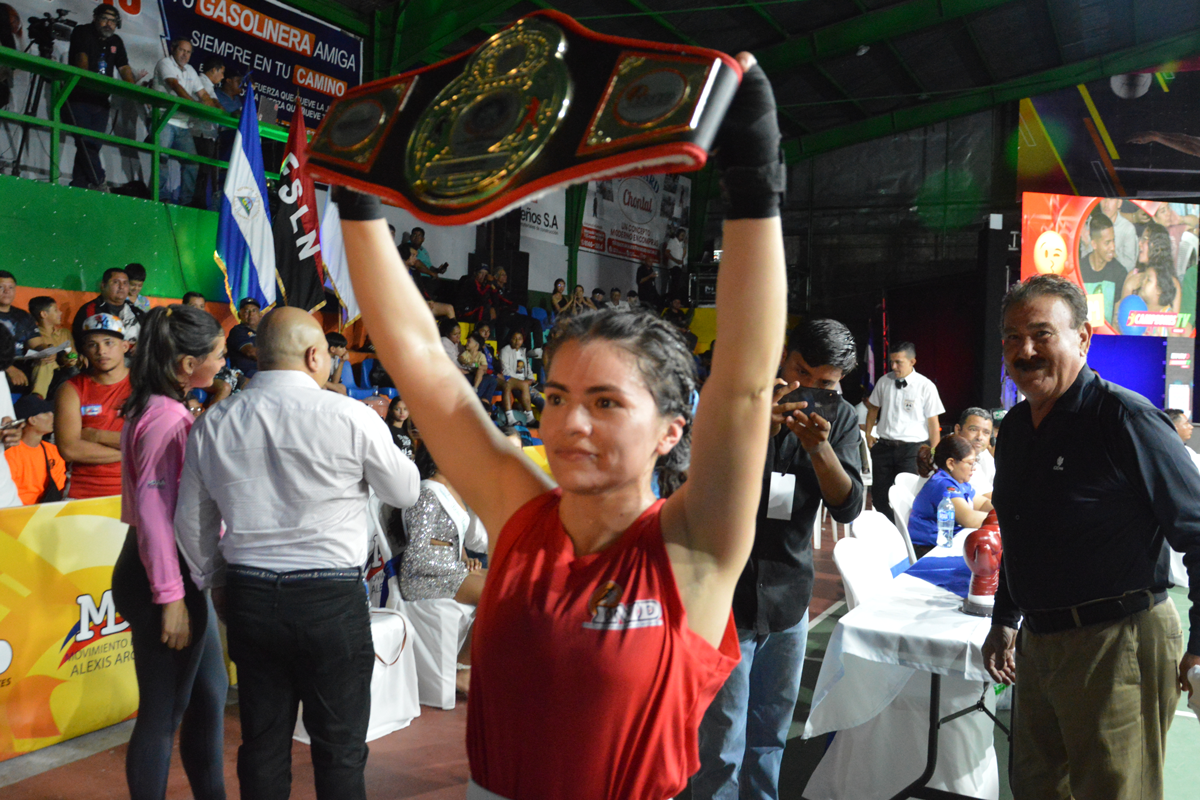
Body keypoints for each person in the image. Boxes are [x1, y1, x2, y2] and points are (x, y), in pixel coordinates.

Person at [332, 50, 786, 800]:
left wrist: (755, 180)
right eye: (555, 396)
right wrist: (358, 204)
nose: (571, 421)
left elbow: (742, 387)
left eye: (607, 402)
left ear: (672, 430)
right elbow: (423, 363)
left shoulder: (692, 549)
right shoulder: (521, 515)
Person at [175, 308, 421, 800]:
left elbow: (191, 522)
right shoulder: (351, 416)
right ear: (315, 356)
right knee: (340, 748)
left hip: (249, 594)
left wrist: (218, 582)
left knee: (262, 743)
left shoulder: (214, 422)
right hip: (330, 600)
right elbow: (406, 491)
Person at [982, 274, 1200, 800]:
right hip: (1040, 643)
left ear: (1081, 338)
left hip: (1118, 641)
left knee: (1114, 790)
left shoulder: (1125, 419)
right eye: (1012, 337)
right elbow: (1020, 530)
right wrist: (1005, 619)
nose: (1025, 350)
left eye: (1041, 334)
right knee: (1036, 787)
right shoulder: (1013, 430)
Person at [692, 318, 863, 800]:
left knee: (770, 737)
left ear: (840, 382)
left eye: (825, 383)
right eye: (801, 371)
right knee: (722, 742)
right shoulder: (739, 400)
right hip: (727, 595)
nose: (809, 389)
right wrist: (756, 432)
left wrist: (820, 448)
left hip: (789, 597)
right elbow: (698, 486)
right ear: (784, 357)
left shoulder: (842, 418)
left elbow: (847, 504)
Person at [110, 305, 228, 800]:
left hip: (175, 574)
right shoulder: (165, 421)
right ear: (186, 365)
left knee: (208, 696)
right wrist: (171, 598)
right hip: (165, 577)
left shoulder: (162, 408)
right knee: (163, 715)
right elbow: (157, 518)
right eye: (218, 355)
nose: (223, 363)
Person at [400, 443, 487, 695]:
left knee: (512, 582)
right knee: (499, 594)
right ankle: (464, 669)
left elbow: (449, 537)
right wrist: (458, 566)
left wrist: (465, 557)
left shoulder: (452, 489)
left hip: (449, 569)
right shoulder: (428, 492)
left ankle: (481, 663)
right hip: (422, 578)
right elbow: (416, 557)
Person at [863, 342, 944, 524]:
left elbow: (933, 423)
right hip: (884, 446)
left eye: (898, 362)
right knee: (879, 497)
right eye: (891, 362)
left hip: (912, 449)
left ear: (912, 361)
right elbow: (873, 409)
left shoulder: (925, 386)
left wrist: (934, 451)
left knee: (908, 497)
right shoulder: (884, 381)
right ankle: (891, 534)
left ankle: (907, 536)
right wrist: (868, 434)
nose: (893, 367)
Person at [66, 5, 142, 190]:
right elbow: (81, 58)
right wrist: (88, 80)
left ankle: (79, 186)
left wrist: (133, 90)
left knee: (91, 146)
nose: (109, 24)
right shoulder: (82, 31)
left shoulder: (116, 41)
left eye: (113, 21)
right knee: (84, 142)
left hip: (101, 101)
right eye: (105, 19)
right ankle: (100, 181)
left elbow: (123, 67)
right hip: (79, 97)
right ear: (95, 18)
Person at [56, 314, 132, 499]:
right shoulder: (71, 389)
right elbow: (69, 449)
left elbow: (155, 442)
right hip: (83, 494)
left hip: (137, 493)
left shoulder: (146, 385)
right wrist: (132, 452)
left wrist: (96, 435)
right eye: (92, 344)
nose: (101, 351)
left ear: (125, 346)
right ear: (84, 351)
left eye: (109, 343)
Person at [153, 39, 218, 206]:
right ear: (173, 49)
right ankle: (158, 198)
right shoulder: (165, 63)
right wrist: (192, 104)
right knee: (161, 157)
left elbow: (204, 95)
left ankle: (185, 202)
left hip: (182, 124)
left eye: (188, 52)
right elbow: (174, 85)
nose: (185, 55)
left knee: (192, 164)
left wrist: (218, 111)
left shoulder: (190, 70)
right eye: (182, 50)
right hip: (164, 119)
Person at [908, 434, 993, 556]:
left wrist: (1003, 511)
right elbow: (969, 519)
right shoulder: (943, 485)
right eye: (970, 463)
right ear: (951, 463)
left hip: (944, 543)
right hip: (929, 549)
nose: (974, 468)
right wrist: (1002, 519)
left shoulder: (959, 482)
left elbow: (983, 504)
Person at [5, 394, 66, 505]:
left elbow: (60, 487)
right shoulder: (9, 453)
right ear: (32, 420)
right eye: (46, 413)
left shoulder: (53, 451)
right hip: (14, 512)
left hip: (45, 511)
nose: (52, 416)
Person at [1080, 211, 1129, 327]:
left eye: (1113, 240)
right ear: (1094, 244)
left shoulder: (1120, 272)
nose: (1113, 247)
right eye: (1107, 243)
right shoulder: (1079, 270)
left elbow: (1118, 319)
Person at [73, 266, 145, 344]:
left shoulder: (136, 312)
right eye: (116, 282)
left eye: (125, 283)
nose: (121, 287)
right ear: (103, 286)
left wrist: (140, 345)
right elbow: (80, 342)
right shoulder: (89, 310)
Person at [191, 57, 226, 210]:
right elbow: (214, 105)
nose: (223, 77)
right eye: (222, 73)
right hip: (201, 133)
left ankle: (198, 200)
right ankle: (195, 202)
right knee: (201, 171)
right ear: (214, 70)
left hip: (206, 134)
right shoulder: (202, 82)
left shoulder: (209, 86)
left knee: (204, 172)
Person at [0, 271, 38, 389]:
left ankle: (37, 399)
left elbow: (36, 342)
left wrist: (47, 351)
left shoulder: (23, 316)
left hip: (21, 362)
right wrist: (9, 368)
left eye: (11, 287)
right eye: (1, 287)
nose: (7, 291)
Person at [953, 407, 995, 497]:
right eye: (973, 429)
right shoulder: (953, 454)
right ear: (957, 430)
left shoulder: (982, 452)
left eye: (986, 432)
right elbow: (988, 497)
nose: (979, 437)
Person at [498, 331, 535, 426]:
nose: (517, 341)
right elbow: (506, 371)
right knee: (526, 387)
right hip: (513, 381)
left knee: (540, 400)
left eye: (520, 339)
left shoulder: (523, 351)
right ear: (510, 339)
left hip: (524, 382)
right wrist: (522, 381)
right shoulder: (506, 350)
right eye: (515, 338)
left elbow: (528, 368)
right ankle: (530, 417)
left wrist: (531, 378)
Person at [226, 297, 261, 378]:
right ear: (239, 315)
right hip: (245, 373)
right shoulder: (237, 331)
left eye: (254, 310)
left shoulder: (265, 331)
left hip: (263, 370)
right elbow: (251, 352)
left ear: (260, 315)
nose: (251, 314)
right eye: (246, 311)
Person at [385, 395, 415, 459]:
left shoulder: (407, 430)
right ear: (391, 410)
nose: (402, 412)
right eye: (397, 409)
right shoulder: (387, 430)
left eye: (405, 409)